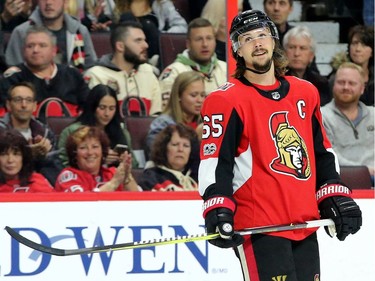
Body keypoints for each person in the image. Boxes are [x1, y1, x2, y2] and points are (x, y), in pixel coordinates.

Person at [199, 10, 362, 281]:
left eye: (262, 35)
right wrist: (218, 207)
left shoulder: (305, 91)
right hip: (259, 227)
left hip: (305, 222)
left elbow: (320, 151)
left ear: (274, 40)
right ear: (238, 50)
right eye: (247, 38)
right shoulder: (224, 100)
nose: (257, 43)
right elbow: (216, 161)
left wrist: (334, 194)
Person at [0, 25, 90, 118]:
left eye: (42, 46)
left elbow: (89, 109)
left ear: (54, 51)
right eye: (30, 46)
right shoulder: (12, 78)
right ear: (23, 51)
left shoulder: (72, 74)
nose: (35, 50)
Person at [84, 21, 162, 116]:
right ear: (120, 46)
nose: (146, 45)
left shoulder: (148, 72)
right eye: (138, 40)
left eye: (144, 40)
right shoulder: (96, 75)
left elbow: (156, 117)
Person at [58, 84, 138, 168]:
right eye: (102, 108)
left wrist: (126, 162)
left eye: (111, 108)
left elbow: (135, 165)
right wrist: (99, 161)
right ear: (92, 107)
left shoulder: (122, 132)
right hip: (82, 179)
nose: (107, 114)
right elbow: (62, 165)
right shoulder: (73, 132)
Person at [5, 0, 97, 71]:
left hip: (73, 90)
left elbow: (90, 67)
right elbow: (13, 71)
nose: (48, 2)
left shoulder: (79, 30)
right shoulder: (22, 32)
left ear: (65, 2)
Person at [321, 62, 374, 184]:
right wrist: (364, 171)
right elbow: (330, 155)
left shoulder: (373, 115)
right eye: (341, 82)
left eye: (352, 83)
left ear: (362, 88)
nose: (346, 87)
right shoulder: (322, 116)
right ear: (333, 85)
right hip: (341, 180)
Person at [0, 81, 62, 185]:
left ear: (34, 106)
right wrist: (28, 155)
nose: (24, 105)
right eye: (18, 100)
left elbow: (57, 172)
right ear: (8, 105)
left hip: (37, 188)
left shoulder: (45, 133)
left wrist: (44, 157)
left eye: (28, 100)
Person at [146, 71, 204, 179]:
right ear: (178, 96)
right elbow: (158, 155)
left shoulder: (206, 124)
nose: (200, 100)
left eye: (202, 95)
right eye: (193, 95)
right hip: (165, 178)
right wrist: (195, 138)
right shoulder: (163, 124)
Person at [159, 17, 227, 108]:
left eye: (209, 38)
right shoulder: (174, 72)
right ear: (188, 44)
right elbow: (167, 110)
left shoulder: (227, 68)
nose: (205, 44)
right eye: (199, 39)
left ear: (215, 41)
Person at [55, 126, 139, 192]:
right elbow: (83, 205)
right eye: (83, 147)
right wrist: (113, 183)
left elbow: (139, 202)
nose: (90, 152)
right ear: (74, 154)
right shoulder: (68, 177)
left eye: (95, 147)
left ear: (103, 151)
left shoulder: (112, 173)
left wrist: (127, 176)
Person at [139, 124, 198, 191]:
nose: (180, 149)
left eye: (186, 146)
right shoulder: (151, 177)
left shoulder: (198, 176)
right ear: (164, 148)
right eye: (175, 144)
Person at [283, 25, 331, 106]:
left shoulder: (321, 84)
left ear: (311, 56)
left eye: (302, 48)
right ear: (284, 52)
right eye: (292, 47)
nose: (296, 53)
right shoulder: (275, 81)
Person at [328, 25, 374, 106]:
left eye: (364, 45)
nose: (358, 49)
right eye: (354, 43)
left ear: (372, 51)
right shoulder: (336, 77)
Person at [0, 128, 54, 193]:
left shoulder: (37, 181)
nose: (10, 160)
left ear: (24, 157)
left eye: (16, 154)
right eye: (4, 154)